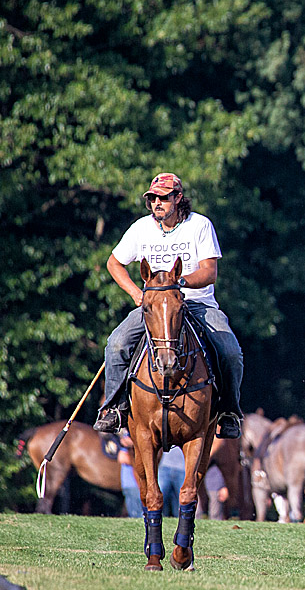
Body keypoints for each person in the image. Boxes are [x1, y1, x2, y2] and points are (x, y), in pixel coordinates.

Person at [92, 172, 243, 440]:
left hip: (196, 303)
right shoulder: (141, 228)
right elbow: (114, 263)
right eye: (152, 199)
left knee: (230, 352)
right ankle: (114, 408)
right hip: (153, 307)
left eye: (163, 197)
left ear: (178, 198)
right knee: (116, 343)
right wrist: (136, 294)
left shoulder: (200, 225)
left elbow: (210, 271)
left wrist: (179, 282)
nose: (156, 203)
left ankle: (229, 411)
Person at [117, 432, 144, 518]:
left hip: (134, 485)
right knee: (134, 513)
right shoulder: (127, 441)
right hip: (130, 484)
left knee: (137, 513)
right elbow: (122, 458)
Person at [157, 445, 187, 518]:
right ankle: (155, 520)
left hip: (183, 469)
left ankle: (182, 522)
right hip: (165, 467)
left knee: (183, 500)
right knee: (158, 497)